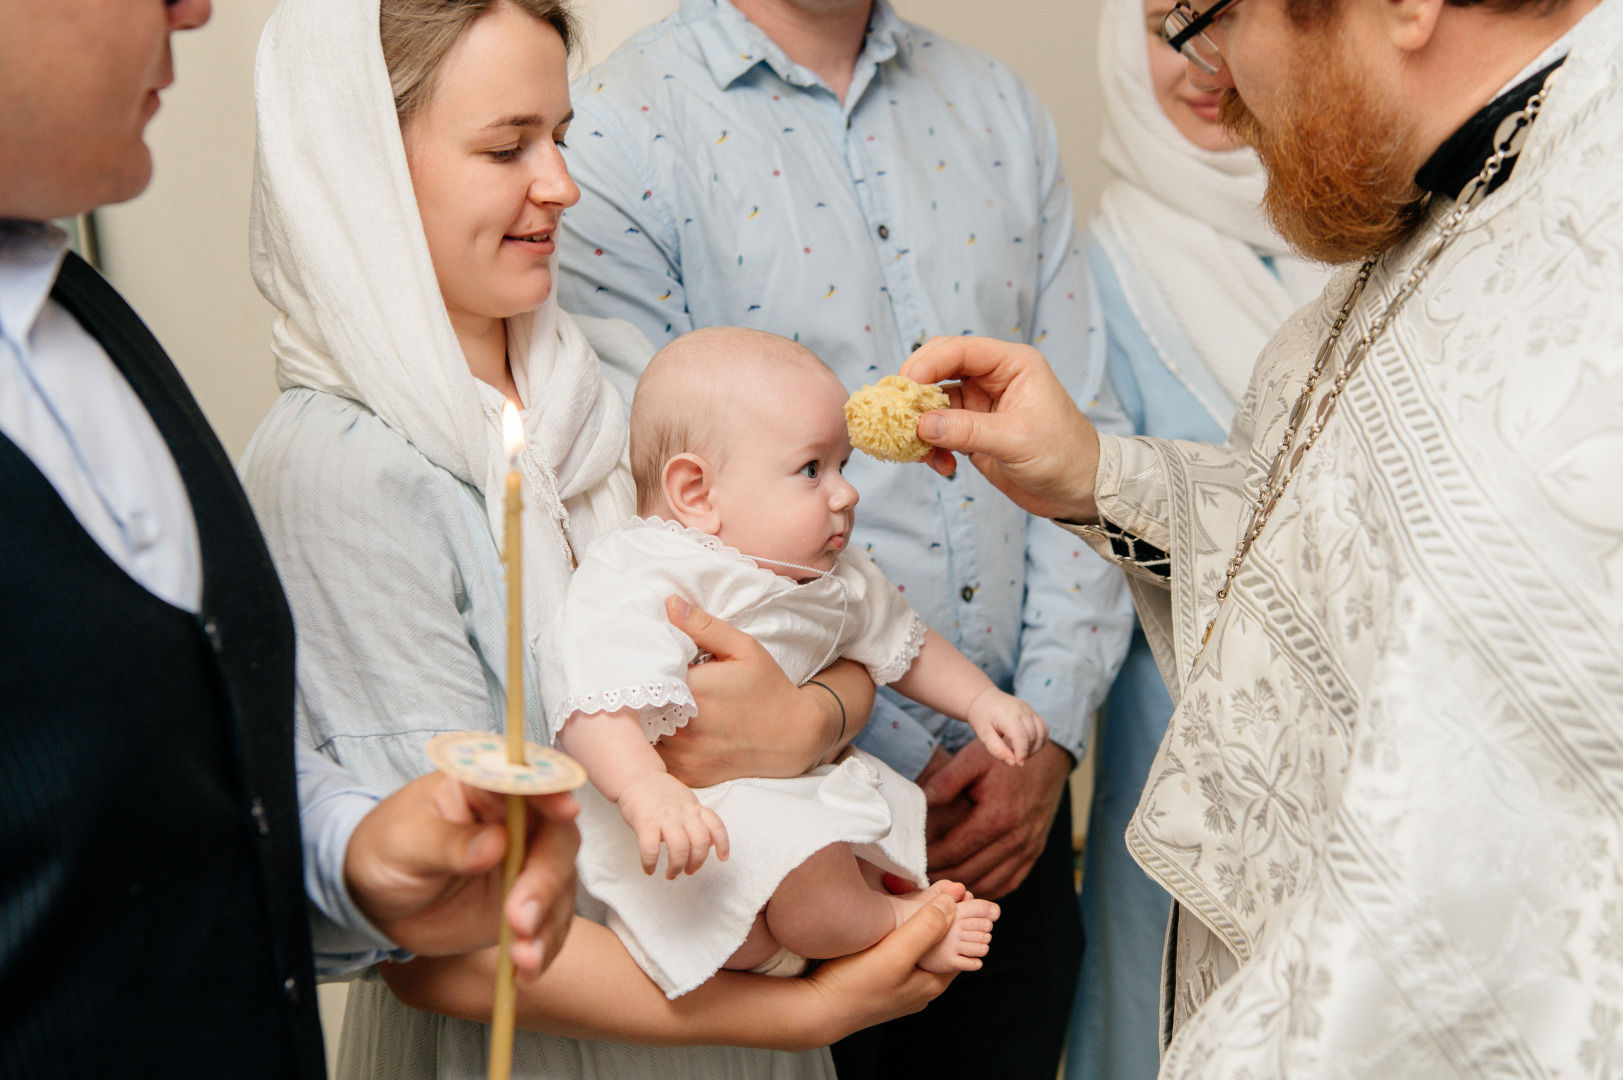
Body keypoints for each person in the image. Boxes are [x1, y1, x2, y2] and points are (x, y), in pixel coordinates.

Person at [239, 1, 958, 1078]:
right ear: (362, 170)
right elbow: (433, 941)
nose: (562, 186)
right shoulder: (339, 470)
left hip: (730, 949)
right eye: (505, 147)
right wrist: (800, 1017)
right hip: (564, 1036)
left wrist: (807, 719)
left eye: (561, 137)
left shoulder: (618, 375)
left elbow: (827, 620)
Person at [902, 0, 1623, 1068]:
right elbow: (1349, 562)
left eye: (1209, 15)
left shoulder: (1584, 256)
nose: (1216, 81)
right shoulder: (1461, 197)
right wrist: (1098, 477)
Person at [0, 0, 586, 1076]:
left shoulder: (87, 323)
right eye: (505, 144)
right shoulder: (334, 457)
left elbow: (167, 763)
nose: (195, 8)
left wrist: (351, 856)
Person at [555, 3, 1134, 1074]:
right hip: (779, 837)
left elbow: (1083, 446)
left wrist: (1040, 735)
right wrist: (870, 738)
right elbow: (663, 518)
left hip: (1021, 812)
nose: (843, 495)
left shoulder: (998, 107)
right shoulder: (617, 130)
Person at [553, 327, 1022, 998]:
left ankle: (837, 931)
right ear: (696, 493)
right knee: (803, 900)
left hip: (796, 789)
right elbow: (595, 695)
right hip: (686, 815)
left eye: (843, 467)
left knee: (819, 878)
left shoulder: (833, 573)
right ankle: (896, 919)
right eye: (811, 469)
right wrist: (642, 789)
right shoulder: (648, 570)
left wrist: (982, 702)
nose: (845, 495)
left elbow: (906, 644)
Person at [1064, 0, 1329, 1075]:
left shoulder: (1360, 236)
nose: (1203, 60)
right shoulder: (1098, 270)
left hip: (1372, 743)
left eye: (1229, 14)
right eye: (1167, 22)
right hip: (1182, 751)